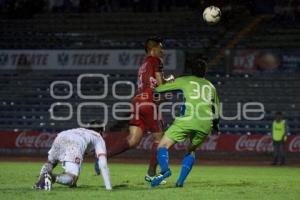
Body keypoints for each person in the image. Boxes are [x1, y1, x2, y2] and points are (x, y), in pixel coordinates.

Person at [106, 37, 174, 182]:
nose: (162, 51)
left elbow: (149, 82)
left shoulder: (143, 64)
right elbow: (161, 85)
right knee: (160, 140)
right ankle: (151, 173)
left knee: (133, 140)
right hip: (149, 102)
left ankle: (104, 156)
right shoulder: (156, 61)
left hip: (137, 101)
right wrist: (170, 81)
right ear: (153, 49)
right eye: (160, 47)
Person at [151, 59, 220, 187]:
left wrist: (158, 84)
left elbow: (159, 90)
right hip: (205, 124)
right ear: (205, 71)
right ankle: (180, 182)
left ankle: (165, 170)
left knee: (163, 146)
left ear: (191, 70)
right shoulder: (211, 86)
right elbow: (216, 109)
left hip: (188, 119)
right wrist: (216, 125)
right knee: (190, 150)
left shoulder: (185, 80)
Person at [33, 120, 112, 191]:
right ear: (101, 131)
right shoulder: (98, 137)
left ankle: (40, 183)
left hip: (61, 136)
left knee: (50, 162)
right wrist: (109, 187)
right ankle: (50, 177)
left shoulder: (82, 130)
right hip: (75, 143)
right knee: (71, 178)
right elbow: (103, 164)